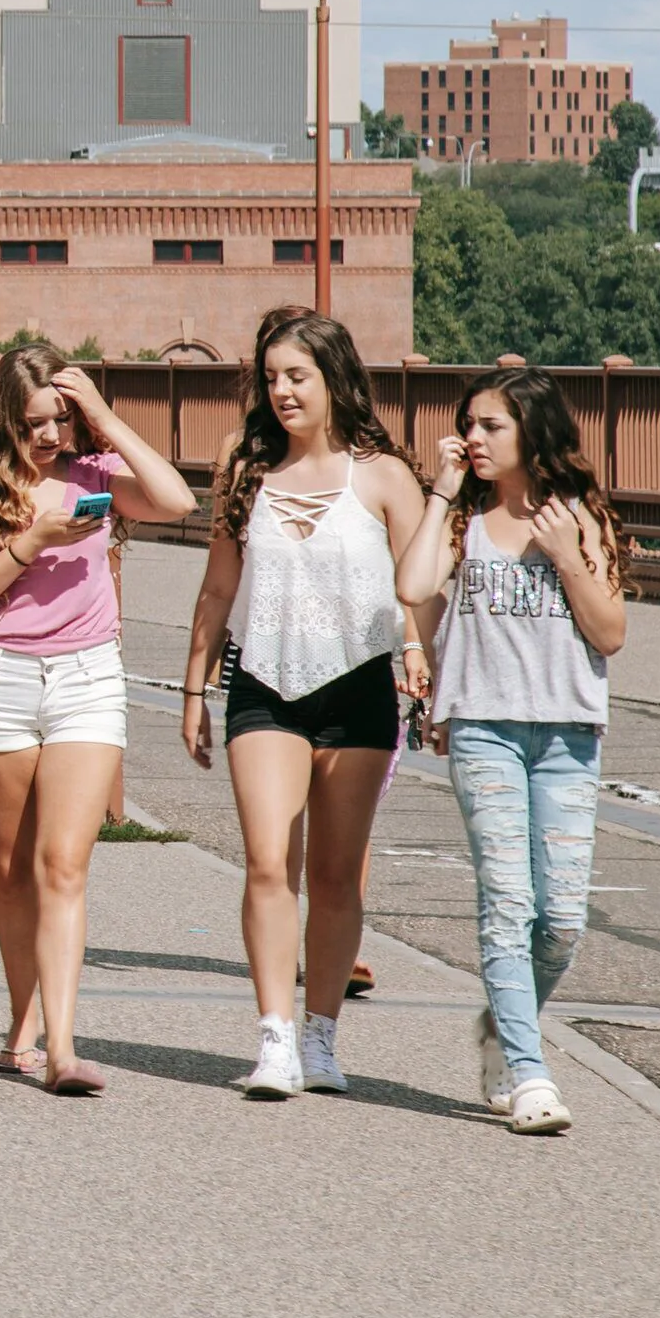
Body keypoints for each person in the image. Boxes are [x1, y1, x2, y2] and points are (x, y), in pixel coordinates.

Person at [180, 307, 430, 1101]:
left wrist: (420, 653)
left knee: (335, 876)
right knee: (266, 862)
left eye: (298, 376)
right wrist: (193, 686)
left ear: (334, 380)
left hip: (358, 690)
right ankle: (275, 1038)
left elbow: (422, 585)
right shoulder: (246, 469)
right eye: (272, 378)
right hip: (264, 684)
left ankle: (321, 1036)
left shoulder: (383, 475)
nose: (283, 392)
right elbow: (219, 586)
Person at [0, 346, 196, 1093]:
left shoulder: (97, 476)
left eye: (59, 420)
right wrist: (31, 542)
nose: (47, 436)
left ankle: (61, 1047)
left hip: (85, 680)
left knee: (63, 864)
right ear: (3, 421)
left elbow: (178, 501)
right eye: (31, 423)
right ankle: (21, 1026)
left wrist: (107, 419)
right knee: (13, 871)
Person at [396, 368, 629, 1136]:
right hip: (484, 730)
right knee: (507, 903)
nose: (474, 437)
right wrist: (441, 491)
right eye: (468, 424)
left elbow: (610, 633)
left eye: (491, 425)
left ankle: (502, 1025)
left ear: (532, 430)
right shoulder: (464, 520)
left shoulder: (579, 518)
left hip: (567, 736)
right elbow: (414, 585)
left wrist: (566, 555)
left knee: (560, 921)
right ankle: (530, 1075)